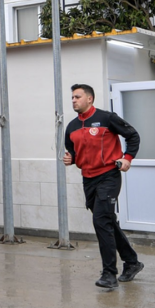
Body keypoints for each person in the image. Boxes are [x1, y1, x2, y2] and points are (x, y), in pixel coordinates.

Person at [62, 84, 143, 290]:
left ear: (90, 99)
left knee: (100, 221)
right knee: (106, 221)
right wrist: (70, 159)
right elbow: (72, 152)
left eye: (77, 97)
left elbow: (133, 135)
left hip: (108, 176)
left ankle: (109, 274)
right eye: (72, 97)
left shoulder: (107, 118)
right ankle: (132, 262)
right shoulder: (71, 127)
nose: (73, 100)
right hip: (88, 179)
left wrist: (127, 158)